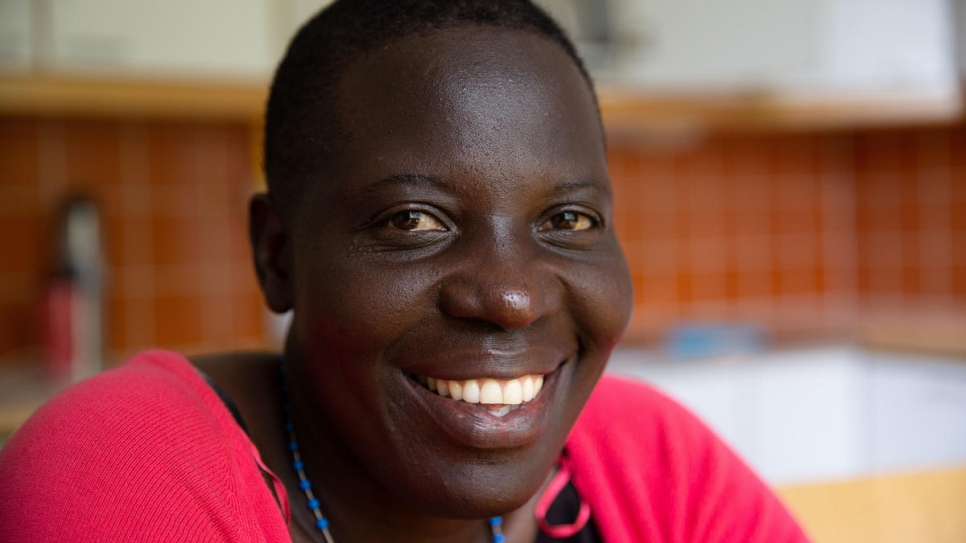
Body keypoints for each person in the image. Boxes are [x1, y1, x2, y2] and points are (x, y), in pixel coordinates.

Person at [0, 1, 811, 542]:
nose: (512, 296)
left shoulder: (651, 464)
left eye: (567, 220)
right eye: (414, 221)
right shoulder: (131, 470)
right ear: (277, 255)